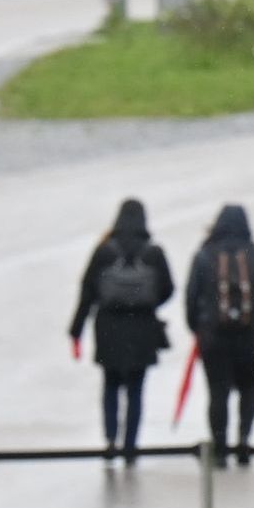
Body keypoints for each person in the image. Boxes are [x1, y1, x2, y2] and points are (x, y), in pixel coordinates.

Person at [69, 198, 171, 467]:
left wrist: (76, 330)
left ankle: (110, 440)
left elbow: (87, 291)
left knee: (111, 385)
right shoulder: (153, 253)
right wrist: (147, 303)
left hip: (109, 329)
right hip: (142, 329)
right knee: (136, 389)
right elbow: (168, 288)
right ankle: (130, 446)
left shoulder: (104, 251)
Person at [182, 203, 254, 465]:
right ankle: (244, 440)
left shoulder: (204, 254)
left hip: (214, 335)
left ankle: (220, 449)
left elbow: (191, 295)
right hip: (250, 332)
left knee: (218, 392)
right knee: (250, 389)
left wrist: (197, 327)